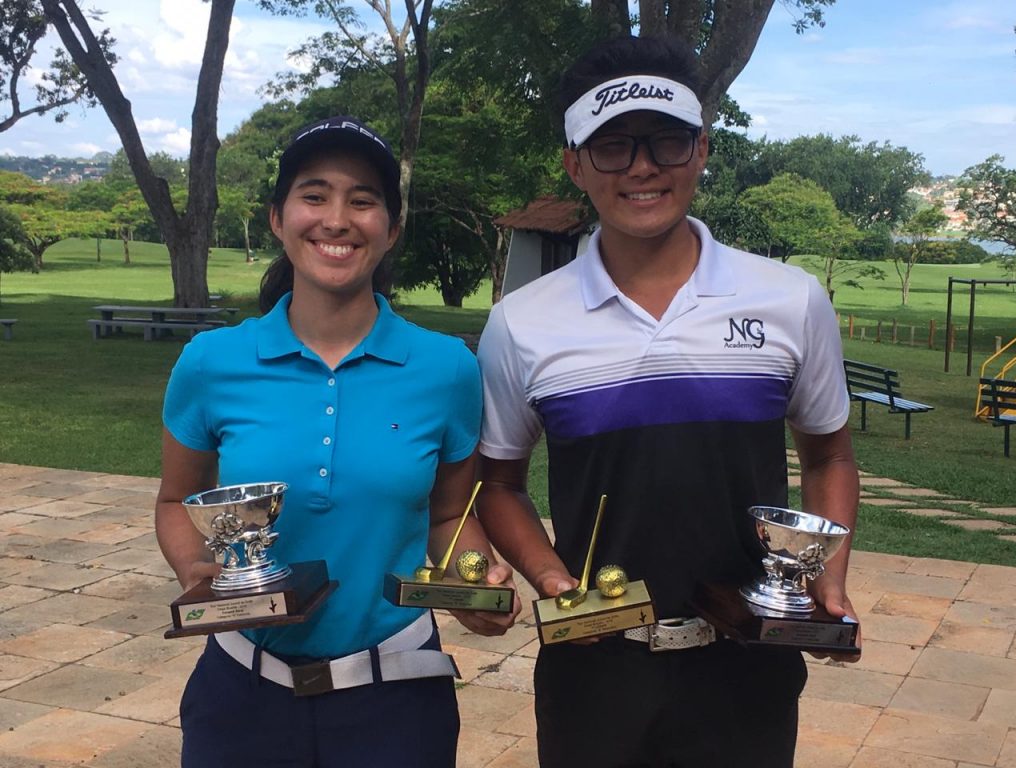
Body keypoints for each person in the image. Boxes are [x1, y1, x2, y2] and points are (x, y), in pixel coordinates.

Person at [474, 36, 860, 768]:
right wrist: (553, 581)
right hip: (594, 669)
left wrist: (824, 579)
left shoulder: (789, 299)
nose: (643, 166)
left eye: (667, 141)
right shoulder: (521, 322)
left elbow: (830, 453)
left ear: (702, 150)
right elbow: (498, 484)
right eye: (613, 146)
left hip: (749, 659)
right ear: (574, 163)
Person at [155, 115, 520, 768]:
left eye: (363, 199)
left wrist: (473, 581)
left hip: (397, 697)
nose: (337, 218)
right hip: (241, 692)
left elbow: (446, 514)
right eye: (314, 194)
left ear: (391, 227)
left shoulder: (446, 369)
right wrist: (195, 569)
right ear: (278, 217)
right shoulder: (212, 361)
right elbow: (175, 500)